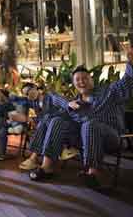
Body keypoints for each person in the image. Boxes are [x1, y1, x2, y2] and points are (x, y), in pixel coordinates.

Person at [29, 53, 133, 188]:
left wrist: (131, 63)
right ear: (74, 84)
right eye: (77, 79)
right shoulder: (74, 104)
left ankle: (93, 173)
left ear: (92, 80)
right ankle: (47, 167)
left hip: (111, 137)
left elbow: (127, 83)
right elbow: (51, 101)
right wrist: (66, 104)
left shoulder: (108, 92)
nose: (81, 81)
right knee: (56, 120)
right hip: (83, 139)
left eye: (85, 78)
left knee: (90, 124)